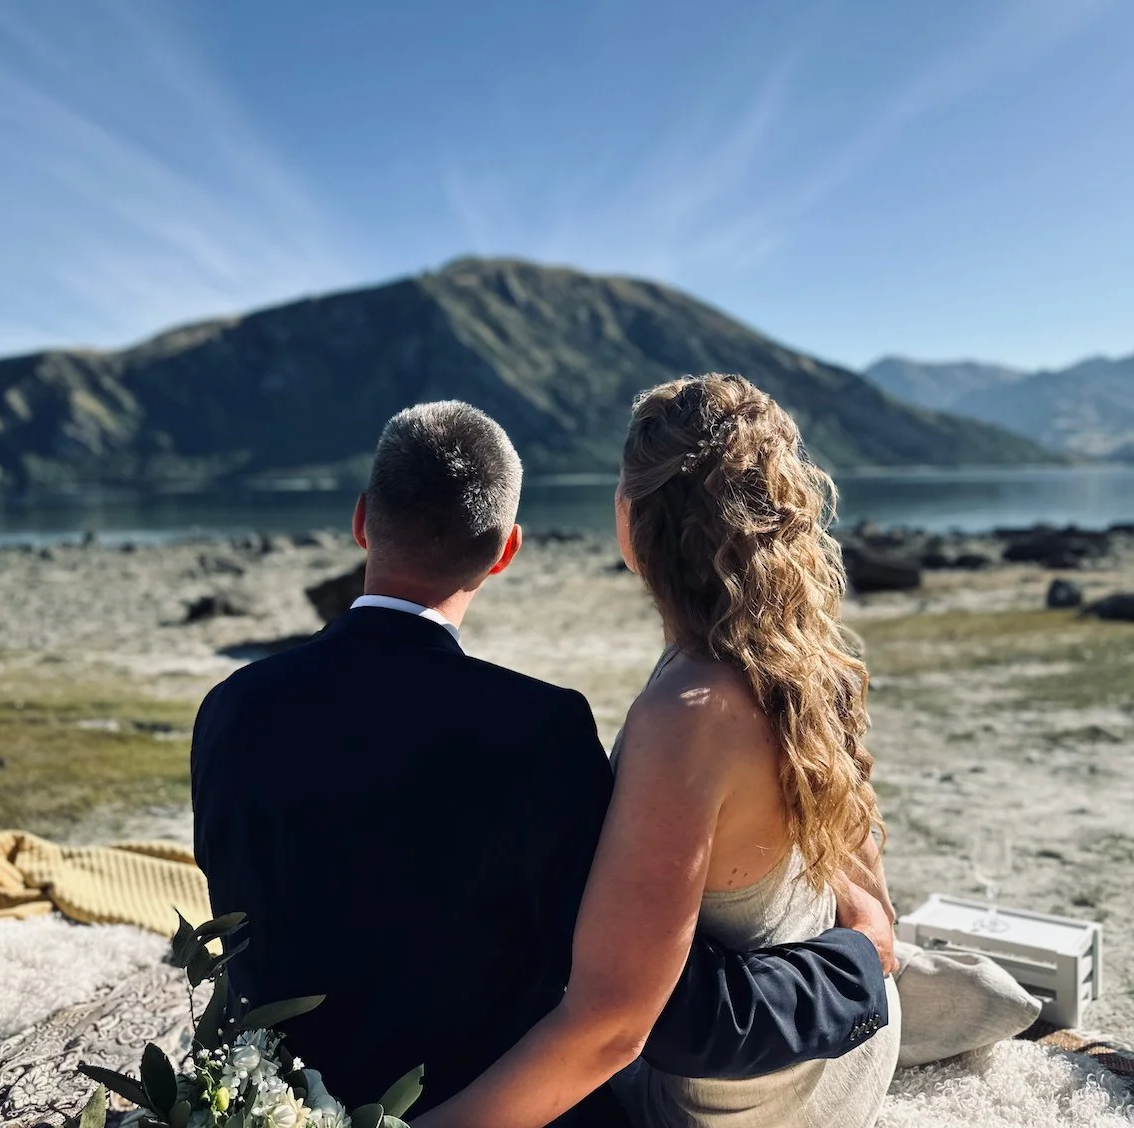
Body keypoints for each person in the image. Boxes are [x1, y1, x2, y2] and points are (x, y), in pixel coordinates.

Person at [192, 399, 891, 1127]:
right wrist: (857, 962)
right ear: (505, 550)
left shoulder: (230, 708)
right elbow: (628, 1006)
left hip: (266, 1096)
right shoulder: (536, 729)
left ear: (363, 521)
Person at [413, 376, 900, 1128]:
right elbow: (872, 903)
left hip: (742, 1105)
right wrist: (865, 953)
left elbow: (613, 1030)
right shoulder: (803, 664)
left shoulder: (687, 713)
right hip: (850, 1053)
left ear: (632, 518)